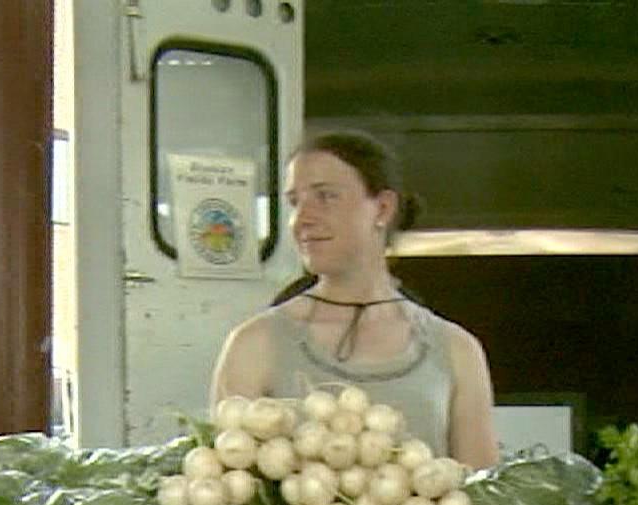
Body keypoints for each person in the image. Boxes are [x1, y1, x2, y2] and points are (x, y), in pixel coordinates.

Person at [212, 130, 500, 468]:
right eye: (295, 201)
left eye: (325, 196)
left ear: (382, 208)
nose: (301, 219)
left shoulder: (455, 350)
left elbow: (482, 496)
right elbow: (229, 490)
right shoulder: (254, 344)